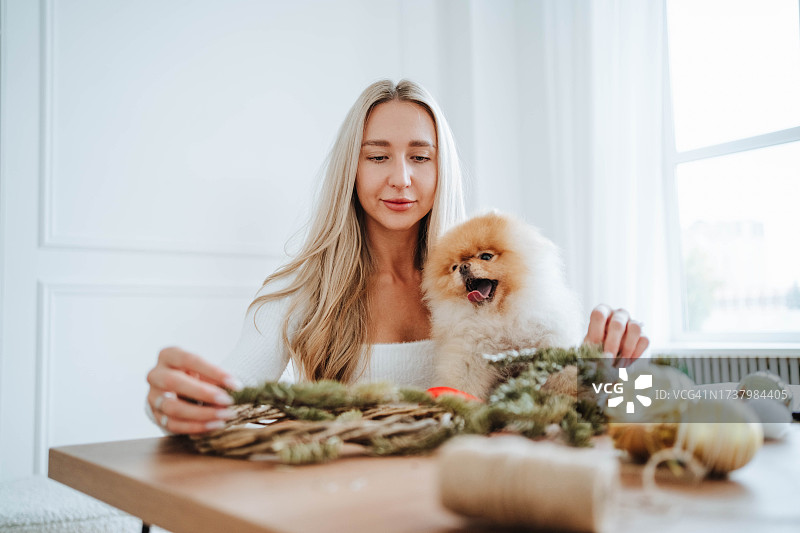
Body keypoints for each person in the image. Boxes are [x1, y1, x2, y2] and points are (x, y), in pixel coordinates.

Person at [145, 79, 649, 434]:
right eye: (378, 155)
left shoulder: (488, 283)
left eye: (421, 157)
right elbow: (229, 398)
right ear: (352, 169)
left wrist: (596, 366)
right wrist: (176, 402)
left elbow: (541, 408)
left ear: (441, 169)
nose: (402, 178)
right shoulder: (305, 292)